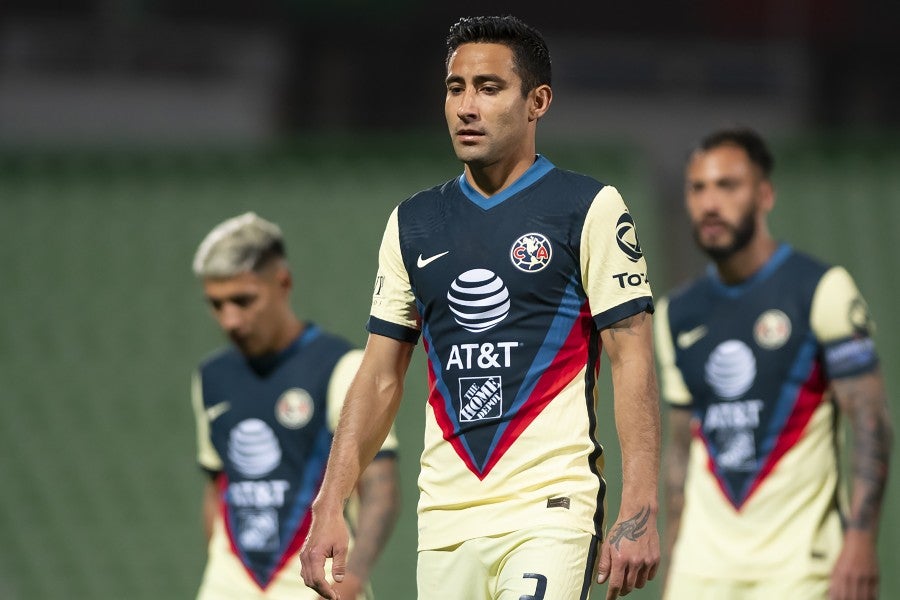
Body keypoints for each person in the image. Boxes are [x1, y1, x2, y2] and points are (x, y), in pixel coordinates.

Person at [300, 15, 661, 600]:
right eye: (455, 88)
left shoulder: (588, 207)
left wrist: (639, 505)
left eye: (489, 88)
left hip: (551, 509)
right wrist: (330, 502)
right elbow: (380, 374)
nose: (467, 106)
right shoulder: (412, 223)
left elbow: (631, 355)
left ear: (537, 101)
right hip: (444, 521)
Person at [655, 128, 893, 600]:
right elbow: (682, 450)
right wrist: (676, 561)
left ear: (764, 195)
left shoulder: (821, 289)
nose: (709, 203)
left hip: (799, 570)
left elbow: (871, 422)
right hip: (701, 574)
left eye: (727, 185)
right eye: (697, 187)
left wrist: (861, 541)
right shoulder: (674, 314)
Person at [190, 212, 400, 600]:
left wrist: (351, 577)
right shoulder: (210, 377)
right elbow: (216, 488)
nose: (230, 319)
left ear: (282, 282)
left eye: (242, 300)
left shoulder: (342, 367)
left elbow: (380, 487)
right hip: (230, 585)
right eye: (217, 305)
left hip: (316, 584)